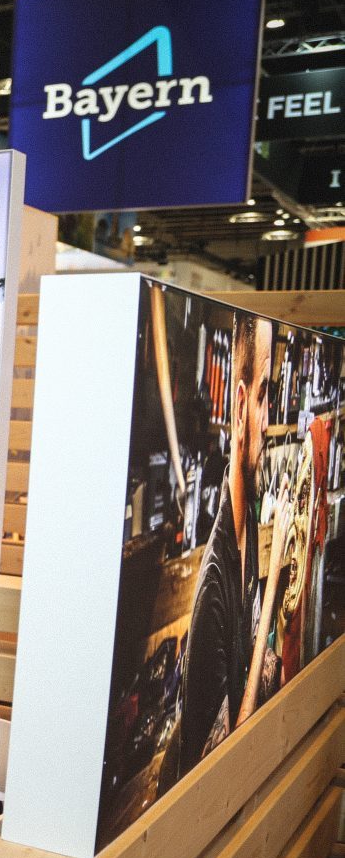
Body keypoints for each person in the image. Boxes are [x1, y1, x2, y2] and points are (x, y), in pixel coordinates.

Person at [176, 313, 275, 776]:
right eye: (263, 396)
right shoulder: (212, 595)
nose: (269, 419)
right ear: (239, 408)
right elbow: (210, 778)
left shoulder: (247, 527)